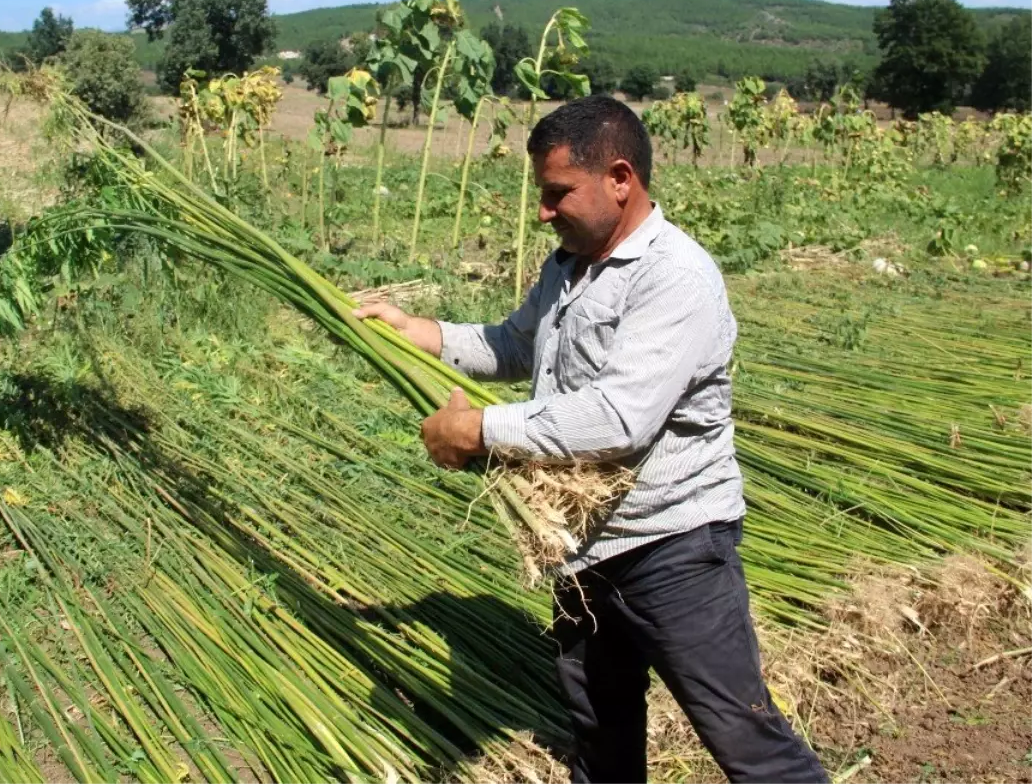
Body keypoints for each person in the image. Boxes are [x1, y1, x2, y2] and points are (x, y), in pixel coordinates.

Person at [354, 95, 827, 783]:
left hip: (674, 550)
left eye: (557, 193)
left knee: (747, 741)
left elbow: (617, 418)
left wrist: (479, 429)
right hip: (584, 550)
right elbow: (515, 344)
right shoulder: (569, 266)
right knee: (602, 741)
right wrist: (418, 331)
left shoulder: (675, 277)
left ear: (620, 179)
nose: (543, 210)